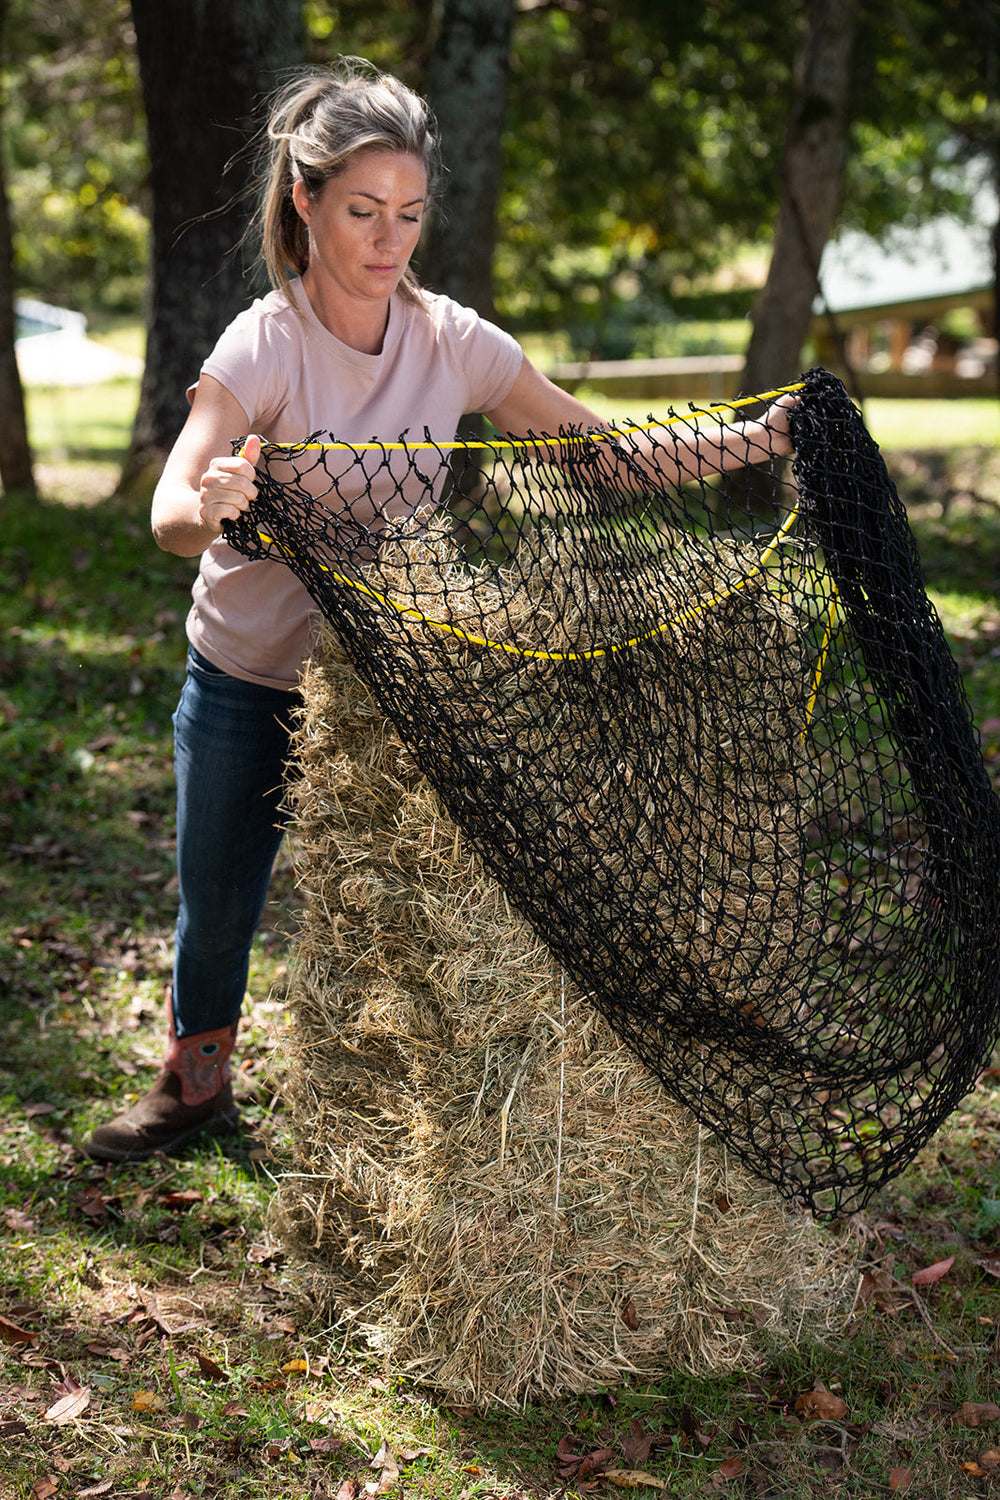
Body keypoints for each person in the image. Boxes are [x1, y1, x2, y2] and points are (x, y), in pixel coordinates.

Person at [84, 57, 795, 1162]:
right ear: (305, 202)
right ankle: (194, 1089)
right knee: (220, 907)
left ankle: (408, 1125)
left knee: (408, 914)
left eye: (408, 215)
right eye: (363, 211)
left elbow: (597, 456)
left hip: (391, 687)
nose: (387, 239)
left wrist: (757, 437)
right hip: (247, 678)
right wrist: (211, 502)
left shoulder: (452, 342)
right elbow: (174, 510)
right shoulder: (261, 347)